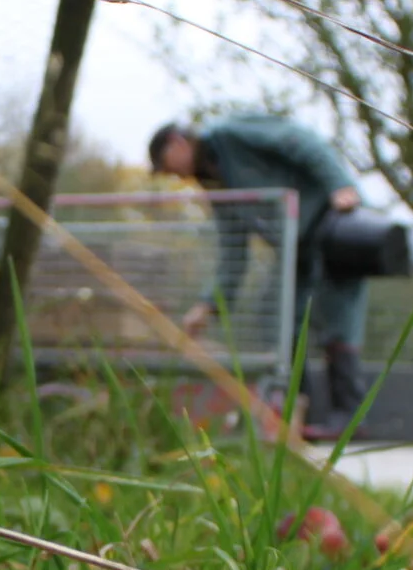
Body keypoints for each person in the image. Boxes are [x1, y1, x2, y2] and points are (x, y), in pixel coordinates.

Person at [150, 112, 373, 441]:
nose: (170, 174)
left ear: (177, 143)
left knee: (338, 316)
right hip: (294, 248)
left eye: (164, 163)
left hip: (331, 223)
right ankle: (299, 413)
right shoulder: (214, 183)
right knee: (277, 314)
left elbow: (302, 142)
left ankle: (351, 419)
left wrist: (340, 185)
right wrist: (209, 304)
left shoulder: (231, 134)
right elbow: (234, 252)